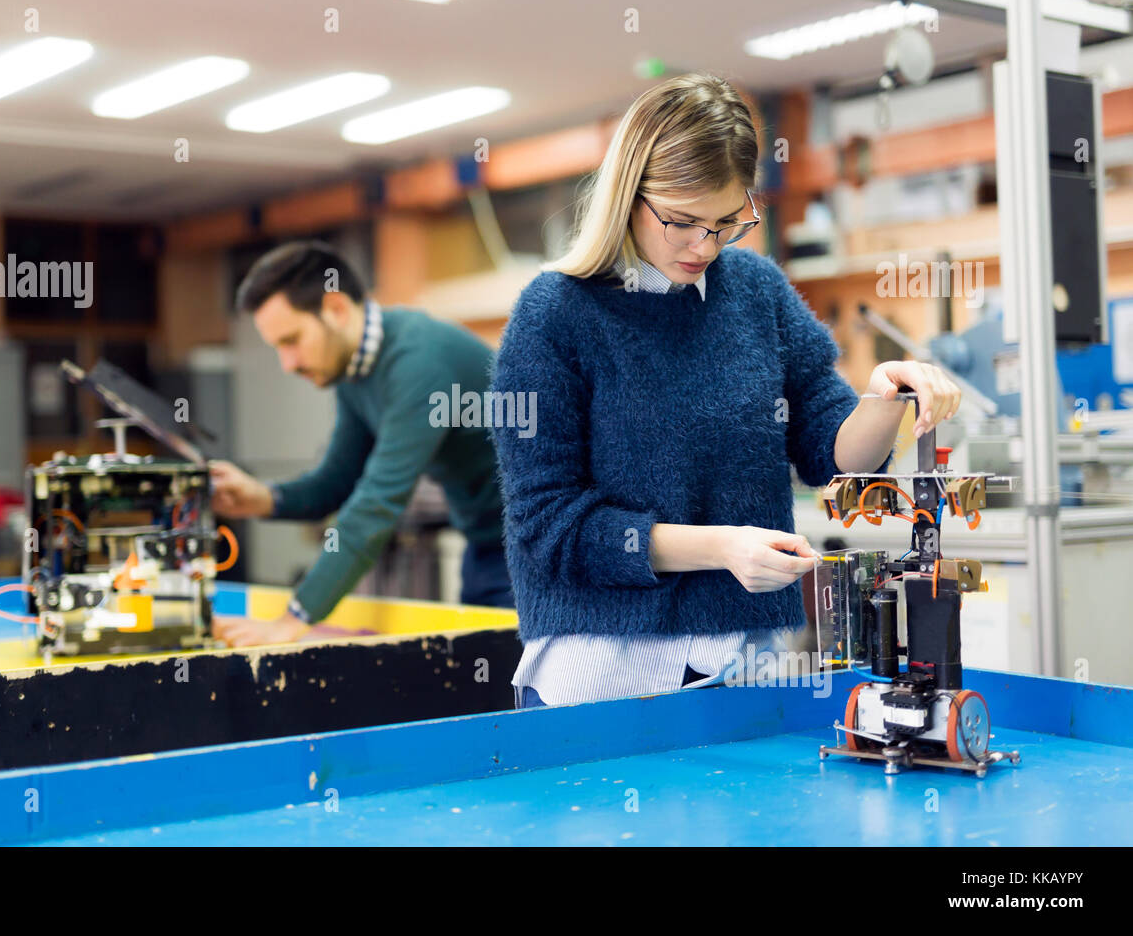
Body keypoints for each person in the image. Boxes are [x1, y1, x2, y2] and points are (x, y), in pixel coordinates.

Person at [489, 73, 961, 708]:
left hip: (738, 660)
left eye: (726, 222)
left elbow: (833, 450)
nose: (703, 246)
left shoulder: (755, 292)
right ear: (628, 194)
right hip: (599, 671)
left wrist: (883, 399)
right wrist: (720, 548)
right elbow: (547, 527)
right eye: (682, 221)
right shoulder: (554, 314)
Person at [209, 241, 514, 646]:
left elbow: (375, 505)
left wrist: (290, 622)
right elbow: (336, 482)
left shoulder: (416, 360)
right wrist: (261, 498)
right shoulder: (356, 372)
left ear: (335, 309)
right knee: (488, 678)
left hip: (540, 550)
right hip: (486, 546)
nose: (288, 364)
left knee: (520, 690)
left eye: (292, 340)